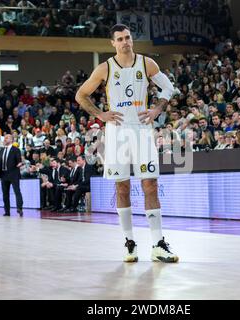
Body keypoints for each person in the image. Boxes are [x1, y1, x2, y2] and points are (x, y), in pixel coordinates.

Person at [75, 24, 178, 263]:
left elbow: (168, 87)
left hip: (142, 130)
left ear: (132, 39)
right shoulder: (105, 68)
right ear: (113, 43)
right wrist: (100, 115)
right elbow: (81, 95)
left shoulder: (147, 63)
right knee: (122, 187)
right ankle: (130, 243)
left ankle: (158, 243)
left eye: (128, 37)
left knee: (150, 184)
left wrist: (157, 109)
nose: (125, 42)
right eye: (120, 39)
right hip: (117, 133)